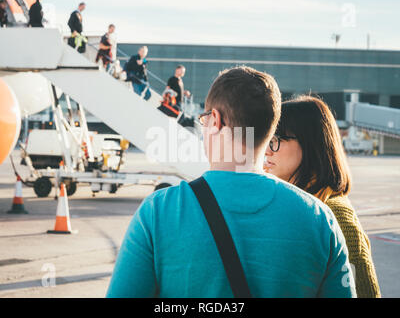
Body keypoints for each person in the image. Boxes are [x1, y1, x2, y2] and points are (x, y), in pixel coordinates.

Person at [106, 66, 356, 298]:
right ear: (270, 129)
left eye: (204, 121)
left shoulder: (158, 212)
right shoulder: (320, 219)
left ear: (214, 120)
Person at [264, 95, 380, 298]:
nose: (267, 150)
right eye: (266, 140)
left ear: (311, 144)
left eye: (276, 140)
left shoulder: (336, 216)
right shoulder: (295, 204)